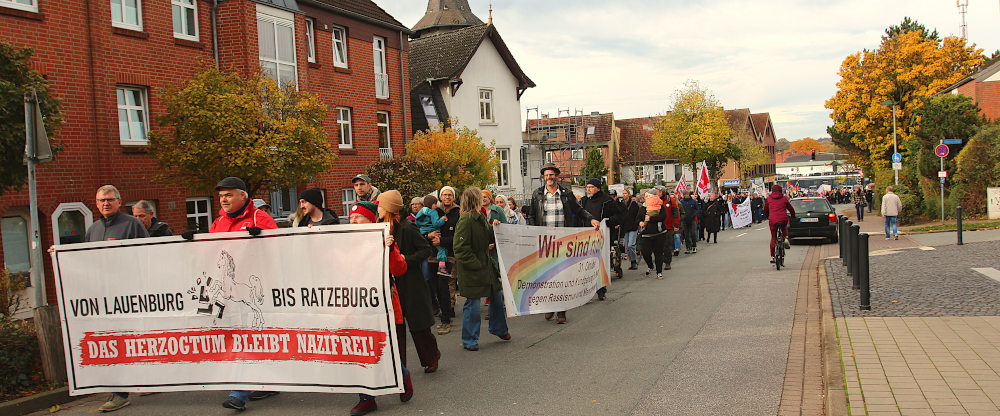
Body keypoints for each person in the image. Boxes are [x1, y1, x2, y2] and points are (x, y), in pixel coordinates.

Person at [206, 177, 280, 412]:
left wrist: (264, 239)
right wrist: (193, 244)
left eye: (228, 195)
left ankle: (238, 393)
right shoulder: (218, 222)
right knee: (243, 338)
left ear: (243, 196)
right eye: (221, 197)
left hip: (252, 288)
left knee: (246, 337)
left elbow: (281, 248)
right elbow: (210, 254)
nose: (223, 200)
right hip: (227, 294)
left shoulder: (261, 218)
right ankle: (269, 381)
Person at [81, 186, 148, 413]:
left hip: (131, 294)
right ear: (96, 203)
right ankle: (120, 392)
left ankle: (147, 379)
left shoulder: (132, 224)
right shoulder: (93, 230)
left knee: (136, 339)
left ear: (120, 202)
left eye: (110, 200)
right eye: (101, 200)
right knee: (114, 342)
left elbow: (148, 256)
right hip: (105, 298)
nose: (106, 204)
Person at [345, 201, 415, 415]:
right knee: (360, 349)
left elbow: (400, 269)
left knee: (384, 349)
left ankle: (402, 377)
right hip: (354, 303)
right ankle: (366, 397)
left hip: (380, 303)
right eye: (351, 218)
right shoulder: (344, 242)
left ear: (371, 219)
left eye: (358, 217)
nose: (354, 221)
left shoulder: (385, 240)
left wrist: (391, 248)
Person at [375, 191, 441, 374]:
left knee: (418, 325)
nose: (378, 209)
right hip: (392, 283)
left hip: (411, 283)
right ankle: (399, 366)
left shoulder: (407, 227)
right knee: (397, 327)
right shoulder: (380, 226)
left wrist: (406, 259)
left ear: (389, 208)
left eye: (380, 205)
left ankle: (431, 356)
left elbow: (425, 250)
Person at [524, 163, 599, 324]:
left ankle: (561, 311)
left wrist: (591, 219)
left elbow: (578, 210)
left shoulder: (566, 194)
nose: (549, 178)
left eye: (551, 175)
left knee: (561, 275)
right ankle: (550, 306)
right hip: (545, 241)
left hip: (563, 241)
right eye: (546, 175)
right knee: (547, 276)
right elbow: (531, 214)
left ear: (556, 176)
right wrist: (532, 231)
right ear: (543, 177)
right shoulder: (537, 194)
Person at [453, 187, 511, 351]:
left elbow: (487, 237)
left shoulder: (480, 217)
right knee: (472, 304)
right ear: (475, 200)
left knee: (497, 296)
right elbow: (460, 249)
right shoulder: (466, 220)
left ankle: (499, 329)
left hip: (486, 266)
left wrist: (495, 227)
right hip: (473, 270)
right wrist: (477, 265)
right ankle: (469, 339)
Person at [580, 179, 622, 299]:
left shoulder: (607, 201)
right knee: (586, 264)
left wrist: (609, 222)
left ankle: (601, 288)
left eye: (591, 187)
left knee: (599, 262)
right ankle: (586, 290)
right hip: (586, 236)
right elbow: (578, 214)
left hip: (602, 237)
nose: (588, 189)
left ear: (598, 188)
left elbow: (619, 216)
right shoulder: (584, 201)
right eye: (587, 187)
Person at [428, 186, 460, 335]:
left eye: (449, 195)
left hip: (448, 255)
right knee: (435, 286)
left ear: (453, 197)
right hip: (433, 255)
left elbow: (459, 236)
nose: (447, 197)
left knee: (443, 284)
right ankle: (444, 312)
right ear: (440, 197)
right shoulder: (434, 211)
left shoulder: (458, 213)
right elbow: (425, 228)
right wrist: (429, 236)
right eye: (444, 195)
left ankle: (446, 319)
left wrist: (442, 241)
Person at [637, 191, 675, 279]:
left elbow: (663, 217)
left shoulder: (660, 206)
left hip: (659, 233)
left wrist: (650, 218)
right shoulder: (643, 207)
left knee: (658, 253)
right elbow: (638, 218)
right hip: (646, 234)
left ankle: (659, 272)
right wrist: (640, 222)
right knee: (645, 252)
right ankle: (650, 265)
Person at [414, 196, 448, 275]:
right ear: (432, 204)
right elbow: (436, 224)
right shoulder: (433, 212)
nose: (436, 206)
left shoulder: (421, 211)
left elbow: (417, 222)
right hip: (433, 231)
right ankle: (442, 266)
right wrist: (443, 219)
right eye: (435, 204)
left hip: (423, 231)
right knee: (442, 249)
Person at [763, 184, 796, 264]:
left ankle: (772, 256)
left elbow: (765, 210)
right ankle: (786, 239)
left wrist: (768, 216)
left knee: (773, 237)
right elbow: (791, 208)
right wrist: (793, 216)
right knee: (784, 229)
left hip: (772, 220)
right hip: (783, 219)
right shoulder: (784, 198)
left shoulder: (769, 199)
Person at [620, 188, 642, 270]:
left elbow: (638, 215)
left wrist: (637, 223)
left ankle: (633, 261)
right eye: (623, 193)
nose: (624, 195)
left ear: (629, 194)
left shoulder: (634, 204)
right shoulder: (622, 204)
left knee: (631, 245)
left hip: (633, 227)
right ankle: (631, 260)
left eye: (625, 193)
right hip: (625, 227)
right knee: (626, 246)